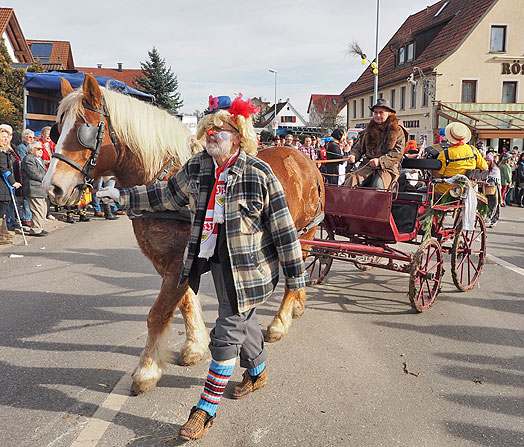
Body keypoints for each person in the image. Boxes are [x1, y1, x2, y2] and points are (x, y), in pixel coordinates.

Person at [97, 94, 306, 441]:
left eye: (220, 131)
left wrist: (296, 280)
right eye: (209, 130)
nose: (212, 135)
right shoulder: (198, 167)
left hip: (251, 266)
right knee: (245, 320)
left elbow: (284, 232)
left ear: (238, 137)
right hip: (216, 259)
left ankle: (204, 412)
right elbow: (164, 196)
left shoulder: (260, 174)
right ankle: (257, 370)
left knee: (225, 334)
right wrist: (123, 198)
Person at [345, 99, 407, 189]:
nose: (378, 115)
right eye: (375, 113)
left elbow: (398, 152)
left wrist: (380, 161)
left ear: (389, 113)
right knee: (349, 181)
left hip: (388, 168)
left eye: (381, 113)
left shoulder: (397, 130)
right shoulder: (368, 130)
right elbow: (358, 148)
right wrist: (353, 156)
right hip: (367, 166)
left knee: (378, 187)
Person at [433, 122, 487, 196]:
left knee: (422, 190)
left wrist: (431, 171)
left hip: (445, 190)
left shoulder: (445, 154)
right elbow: (485, 167)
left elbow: (438, 175)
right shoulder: (473, 150)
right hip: (467, 189)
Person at [21, 141, 48, 237]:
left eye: (42, 149)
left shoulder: (39, 159)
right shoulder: (29, 159)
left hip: (41, 189)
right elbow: (34, 174)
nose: (41, 151)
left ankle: (39, 227)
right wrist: (47, 178)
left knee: (43, 210)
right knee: (37, 210)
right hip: (33, 189)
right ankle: (35, 230)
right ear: (31, 150)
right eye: (38, 149)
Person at [0, 128, 22, 244]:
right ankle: (1, 235)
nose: (6, 139)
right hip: (2, 184)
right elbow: (4, 169)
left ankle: (3, 233)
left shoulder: (7, 151)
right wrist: (13, 182)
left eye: (7, 137)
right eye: (3, 136)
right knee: (2, 209)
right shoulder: (1, 152)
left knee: (3, 209)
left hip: (5, 185)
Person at [15, 129, 35, 225]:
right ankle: (26, 218)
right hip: (24, 174)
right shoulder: (21, 147)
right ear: (23, 138)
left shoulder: (32, 146)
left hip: (31, 174)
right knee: (26, 197)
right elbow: (25, 161)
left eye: (33, 137)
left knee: (30, 196)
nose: (32, 139)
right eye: (29, 137)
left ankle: (29, 217)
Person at [484, 153, 501, 227]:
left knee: (495, 204)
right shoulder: (485, 167)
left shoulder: (495, 168)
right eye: (486, 160)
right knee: (488, 203)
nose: (487, 162)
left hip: (495, 188)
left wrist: (489, 179)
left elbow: (496, 178)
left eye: (488, 160)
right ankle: (488, 217)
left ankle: (494, 220)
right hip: (487, 188)